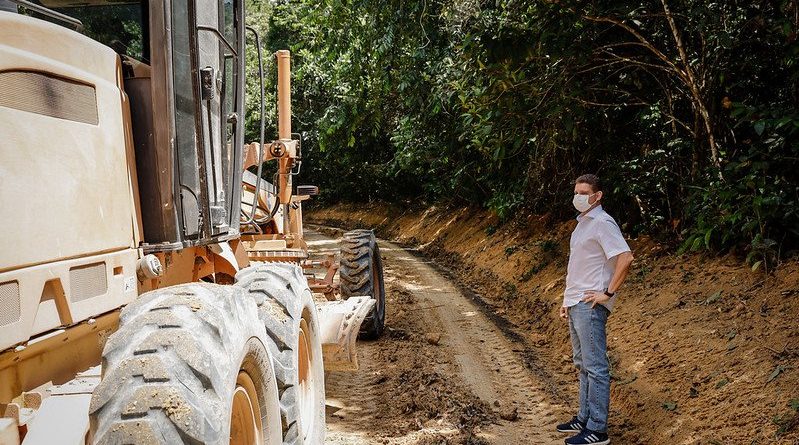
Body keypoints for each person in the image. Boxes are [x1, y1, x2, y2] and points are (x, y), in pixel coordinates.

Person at [556, 174, 634, 445]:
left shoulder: (602, 222)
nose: (578, 196)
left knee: (596, 367)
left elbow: (625, 257)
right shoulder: (582, 225)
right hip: (577, 302)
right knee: (583, 364)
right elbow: (578, 267)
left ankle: (597, 430)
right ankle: (584, 418)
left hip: (590, 306)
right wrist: (567, 300)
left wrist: (608, 293)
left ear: (597, 195)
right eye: (576, 191)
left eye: (584, 192)